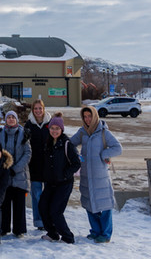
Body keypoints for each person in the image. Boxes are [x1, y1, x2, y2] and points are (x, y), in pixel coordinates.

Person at [71, 105, 122, 243]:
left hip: (101, 176)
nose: (87, 119)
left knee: (104, 206)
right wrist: (76, 156)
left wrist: (104, 154)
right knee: (89, 205)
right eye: (85, 117)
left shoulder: (104, 132)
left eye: (90, 116)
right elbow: (70, 144)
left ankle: (105, 234)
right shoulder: (82, 132)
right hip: (86, 175)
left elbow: (118, 148)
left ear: (95, 116)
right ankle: (95, 231)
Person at [38, 113, 81, 244]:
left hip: (64, 184)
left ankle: (68, 237)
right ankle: (52, 234)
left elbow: (76, 163)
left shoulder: (67, 144)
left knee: (55, 211)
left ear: (61, 129)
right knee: (43, 207)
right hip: (51, 183)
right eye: (52, 128)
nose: (54, 131)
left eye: (57, 128)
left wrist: (64, 174)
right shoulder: (49, 143)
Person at [0, 110, 31, 238]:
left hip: (19, 174)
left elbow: (28, 153)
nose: (11, 119)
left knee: (19, 204)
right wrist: (3, 166)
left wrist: (16, 168)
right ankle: (4, 228)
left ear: (16, 120)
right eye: (8, 117)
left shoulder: (23, 134)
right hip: (5, 173)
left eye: (13, 117)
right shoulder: (0, 134)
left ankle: (19, 229)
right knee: (5, 203)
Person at [24, 99, 51, 229]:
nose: (38, 111)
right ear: (32, 110)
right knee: (37, 194)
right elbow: (23, 144)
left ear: (43, 109)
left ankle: (49, 219)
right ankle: (39, 221)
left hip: (49, 165)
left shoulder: (50, 123)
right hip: (34, 165)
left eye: (40, 108)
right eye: (36, 109)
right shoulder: (28, 125)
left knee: (49, 194)